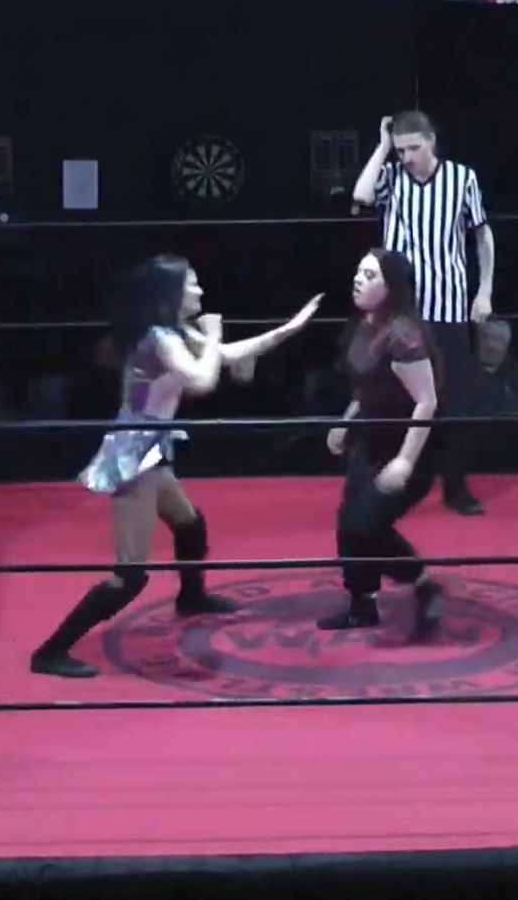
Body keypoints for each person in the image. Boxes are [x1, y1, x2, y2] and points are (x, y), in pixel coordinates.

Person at [29, 255, 322, 678]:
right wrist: (216, 332)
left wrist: (287, 330)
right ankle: (50, 652)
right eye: (193, 284)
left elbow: (224, 355)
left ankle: (191, 598)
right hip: (134, 455)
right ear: (171, 293)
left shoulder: (174, 333)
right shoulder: (160, 338)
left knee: (189, 524)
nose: (201, 291)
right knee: (129, 575)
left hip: (151, 446)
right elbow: (204, 380)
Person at [352, 110, 493, 516]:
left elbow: (481, 234)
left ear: (432, 141)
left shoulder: (461, 178)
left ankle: (455, 484)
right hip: (401, 308)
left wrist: (483, 291)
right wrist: (382, 147)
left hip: (447, 303)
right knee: (387, 396)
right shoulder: (391, 176)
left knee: (452, 399)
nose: (407, 157)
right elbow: (361, 196)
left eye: (414, 147)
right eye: (401, 149)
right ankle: (387, 480)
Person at [316, 248, 446, 639]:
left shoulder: (403, 335)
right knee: (349, 523)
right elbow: (366, 386)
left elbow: (427, 401)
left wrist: (405, 462)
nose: (358, 278)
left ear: (389, 288)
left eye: (370, 275)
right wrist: (346, 422)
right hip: (368, 440)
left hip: (408, 445)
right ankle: (362, 604)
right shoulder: (363, 325)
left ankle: (424, 585)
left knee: (364, 524)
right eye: (359, 271)